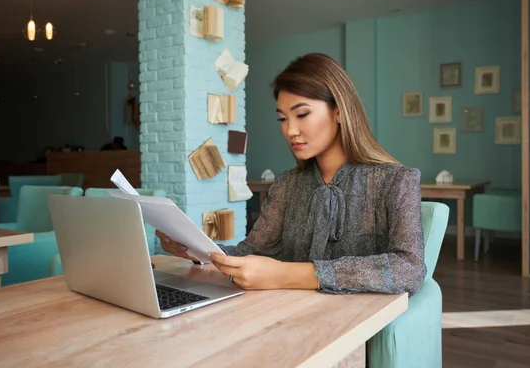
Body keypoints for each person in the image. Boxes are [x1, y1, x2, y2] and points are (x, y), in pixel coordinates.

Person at [156, 53, 426, 296]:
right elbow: (250, 252)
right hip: (289, 317)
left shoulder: (396, 181)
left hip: (356, 330)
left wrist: (288, 275)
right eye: (283, 119)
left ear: (339, 112)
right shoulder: (287, 186)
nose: (290, 130)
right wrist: (196, 250)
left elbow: (409, 269)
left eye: (302, 114)